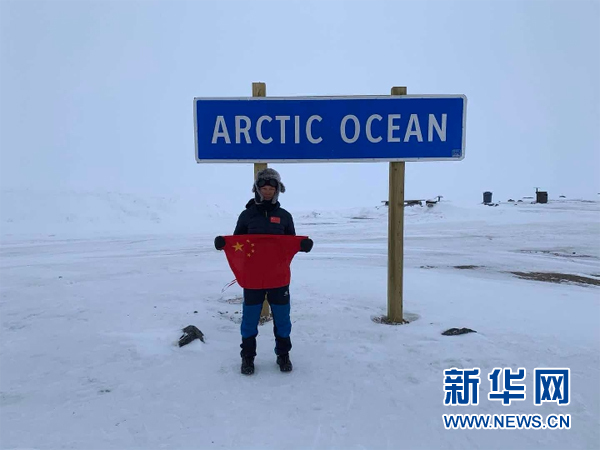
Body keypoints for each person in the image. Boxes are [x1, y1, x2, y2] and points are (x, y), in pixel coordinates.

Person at [214, 168, 313, 375]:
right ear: (257, 189)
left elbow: (290, 243)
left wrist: (303, 245)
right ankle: (247, 358)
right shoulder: (247, 215)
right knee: (250, 319)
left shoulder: (284, 216)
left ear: (277, 190)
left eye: (271, 188)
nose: (267, 191)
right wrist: (223, 243)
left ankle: (283, 354)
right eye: (263, 188)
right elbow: (237, 242)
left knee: (282, 318)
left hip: (278, 277)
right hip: (253, 278)